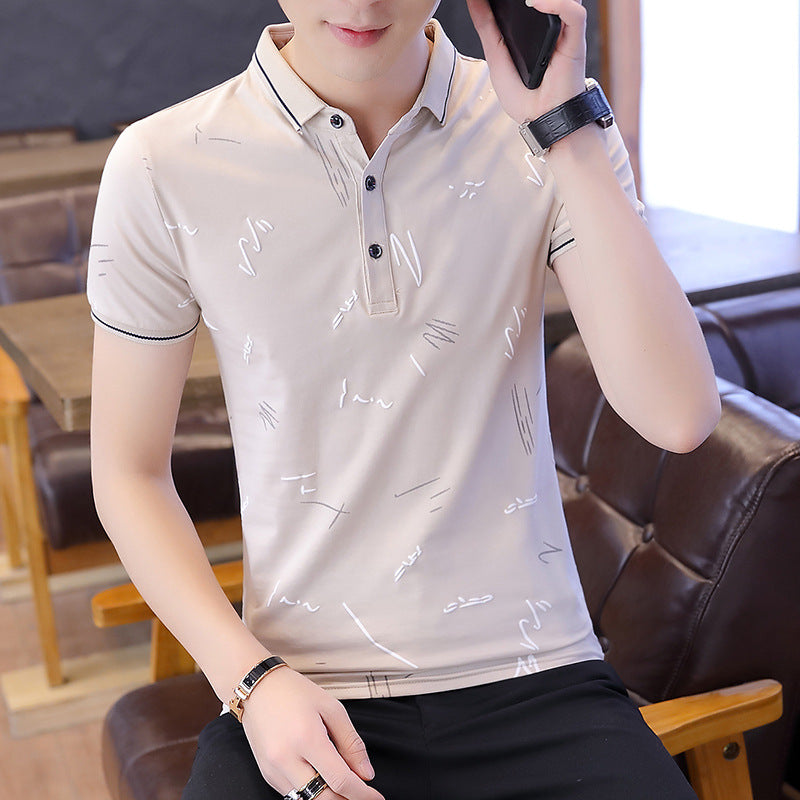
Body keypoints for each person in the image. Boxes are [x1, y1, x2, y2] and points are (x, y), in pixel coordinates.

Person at [88, 0, 721, 798]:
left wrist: (563, 127)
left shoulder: (550, 126)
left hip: (541, 677)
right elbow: (128, 472)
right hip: (302, 689)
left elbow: (679, 415)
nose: (361, 4)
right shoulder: (160, 163)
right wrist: (249, 680)